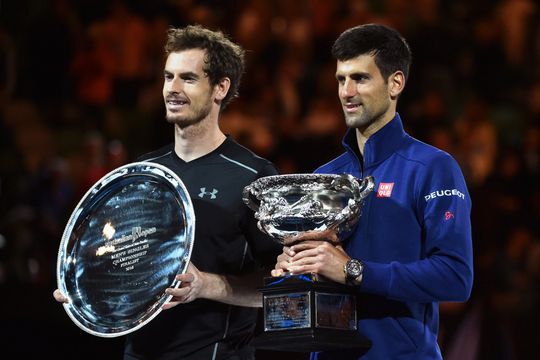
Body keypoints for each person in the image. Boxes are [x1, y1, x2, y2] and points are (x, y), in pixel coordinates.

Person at [54, 24, 282, 359]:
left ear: (220, 88)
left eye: (187, 78)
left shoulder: (254, 176)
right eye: (167, 76)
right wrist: (87, 284)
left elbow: (282, 288)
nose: (172, 89)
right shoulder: (145, 172)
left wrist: (206, 284)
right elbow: (127, 258)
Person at [272, 23, 473, 359]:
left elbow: (455, 276)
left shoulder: (433, 167)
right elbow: (308, 293)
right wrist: (294, 270)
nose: (346, 92)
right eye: (341, 79)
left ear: (395, 83)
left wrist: (354, 271)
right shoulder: (325, 176)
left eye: (360, 78)